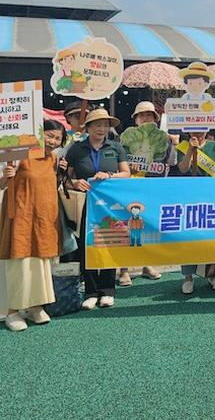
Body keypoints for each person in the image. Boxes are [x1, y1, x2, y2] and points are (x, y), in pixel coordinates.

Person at [0, 120, 67, 331]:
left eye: (58, 138)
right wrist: (5, 177)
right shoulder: (17, 154)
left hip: (44, 220)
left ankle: (35, 306)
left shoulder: (54, 159)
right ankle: (11, 311)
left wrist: (62, 173)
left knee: (41, 264)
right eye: (49, 135)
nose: (53, 141)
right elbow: (2, 183)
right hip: (20, 217)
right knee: (18, 263)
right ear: (38, 133)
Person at [65, 108, 130, 310]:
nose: (101, 129)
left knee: (110, 242)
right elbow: (66, 179)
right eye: (97, 125)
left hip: (110, 206)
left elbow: (126, 173)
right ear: (88, 127)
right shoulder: (76, 149)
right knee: (87, 246)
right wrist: (75, 183)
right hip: (85, 205)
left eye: (105, 125)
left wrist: (109, 175)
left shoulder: (116, 147)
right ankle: (91, 292)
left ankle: (108, 290)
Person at [118, 101, 175, 287]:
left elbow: (171, 162)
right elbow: (119, 161)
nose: (145, 118)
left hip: (152, 187)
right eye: (142, 115)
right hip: (130, 187)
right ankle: (124, 269)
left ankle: (146, 264)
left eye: (149, 115)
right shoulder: (126, 137)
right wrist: (129, 167)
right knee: (128, 227)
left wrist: (173, 144)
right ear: (136, 119)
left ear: (156, 119)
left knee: (148, 227)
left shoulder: (164, 139)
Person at [176, 130, 215, 294]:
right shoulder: (183, 146)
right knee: (188, 237)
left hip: (210, 197)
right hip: (189, 197)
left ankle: (212, 274)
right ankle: (188, 277)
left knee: (211, 237)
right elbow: (183, 169)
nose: (198, 131)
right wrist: (190, 150)